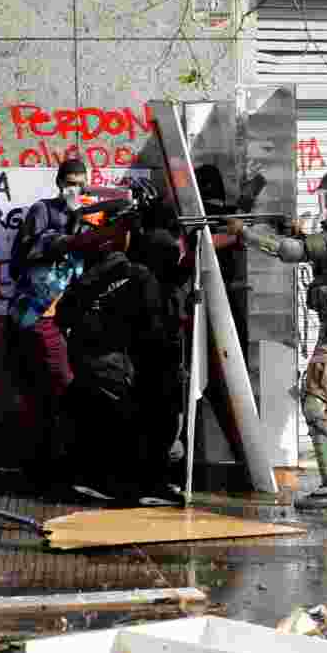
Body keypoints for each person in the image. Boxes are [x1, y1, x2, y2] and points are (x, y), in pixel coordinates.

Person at [226, 166, 327, 508]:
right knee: (325, 402)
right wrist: (296, 232)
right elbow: (324, 252)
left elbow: (295, 253)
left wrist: (247, 234)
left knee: (315, 404)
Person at [6, 158, 132, 481]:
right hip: (35, 314)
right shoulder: (43, 212)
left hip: (58, 318)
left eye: (80, 183)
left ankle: (45, 463)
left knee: (47, 393)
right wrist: (80, 227)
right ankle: (50, 465)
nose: (74, 189)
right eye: (69, 183)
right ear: (59, 183)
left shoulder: (88, 217)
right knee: (61, 386)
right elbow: (44, 248)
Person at [56, 211, 184, 505]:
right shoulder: (139, 277)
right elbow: (154, 333)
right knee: (144, 417)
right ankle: (140, 484)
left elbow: (65, 314)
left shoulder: (102, 272)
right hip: (116, 364)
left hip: (92, 361)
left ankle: (100, 479)